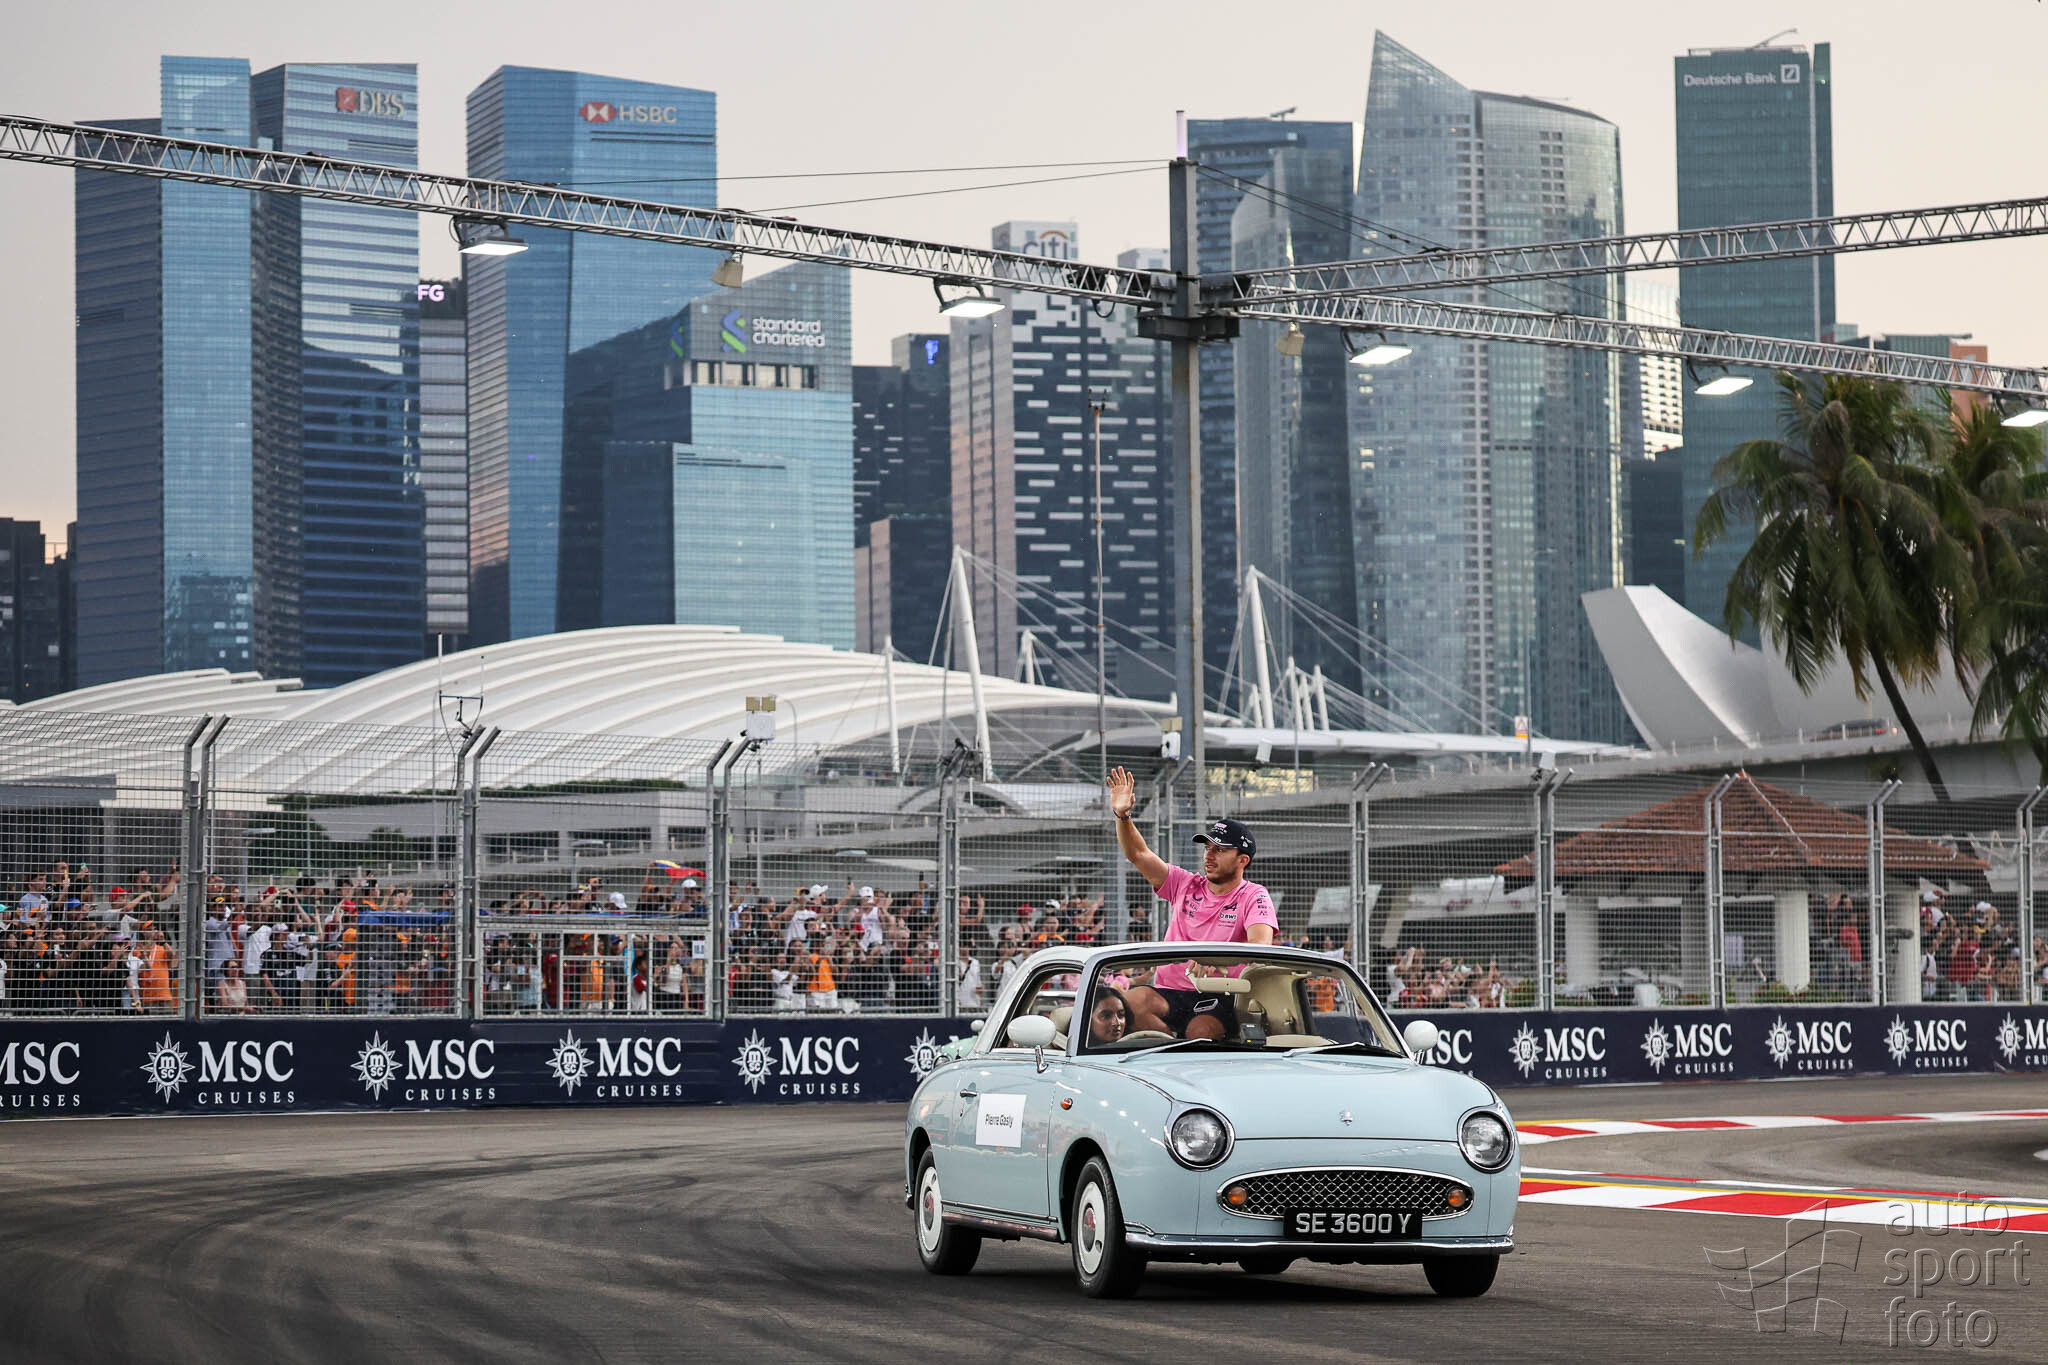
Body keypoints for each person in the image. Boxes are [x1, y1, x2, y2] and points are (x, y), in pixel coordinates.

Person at [1105, 766, 1276, 1040]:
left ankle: (1181, 1047)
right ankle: (1172, 1045)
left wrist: (1214, 959)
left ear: (1243, 860)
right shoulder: (1185, 883)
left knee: (1201, 1032)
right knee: (1132, 1003)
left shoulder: (1254, 895)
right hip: (1168, 992)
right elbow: (1138, 854)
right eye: (1208, 847)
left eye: (1220, 850)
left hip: (1219, 995)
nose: (1209, 855)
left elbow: (1260, 947)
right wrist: (1122, 816)